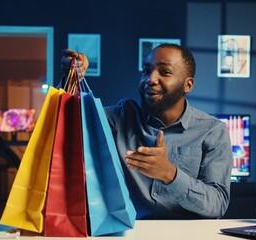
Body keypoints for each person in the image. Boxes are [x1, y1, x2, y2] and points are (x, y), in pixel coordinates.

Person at [61, 44, 232, 219]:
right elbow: (68, 125)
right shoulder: (119, 118)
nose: (150, 79)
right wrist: (72, 79)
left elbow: (217, 205)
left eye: (165, 72)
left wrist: (169, 174)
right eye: (146, 71)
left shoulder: (213, 131)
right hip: (130, 234)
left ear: (188, 85)